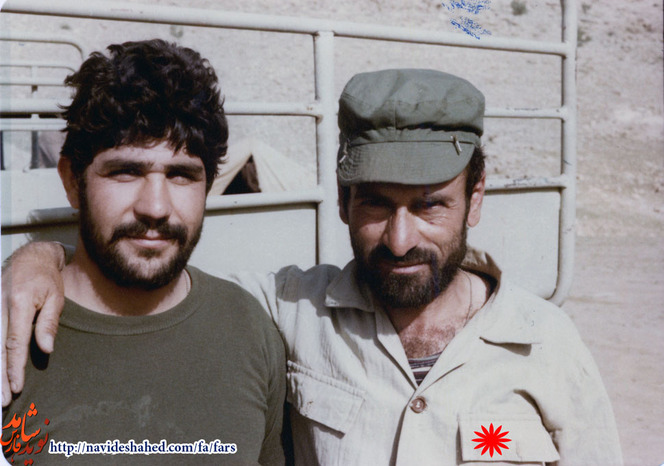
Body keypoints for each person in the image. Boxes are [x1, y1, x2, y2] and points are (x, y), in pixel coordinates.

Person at [2, 69, 622, 465]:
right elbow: (147, 274)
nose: (400, 239)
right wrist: (38, 257)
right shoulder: (287, 310)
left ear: (476, 197)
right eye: (375, 203)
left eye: (430, 205)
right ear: (343, 199)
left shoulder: (547, 346)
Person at [1, 39, 286, 465]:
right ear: (73, 180)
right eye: (126, 171)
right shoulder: (11, 331)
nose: (155, 207)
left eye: (181, 175)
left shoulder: (249, 327)